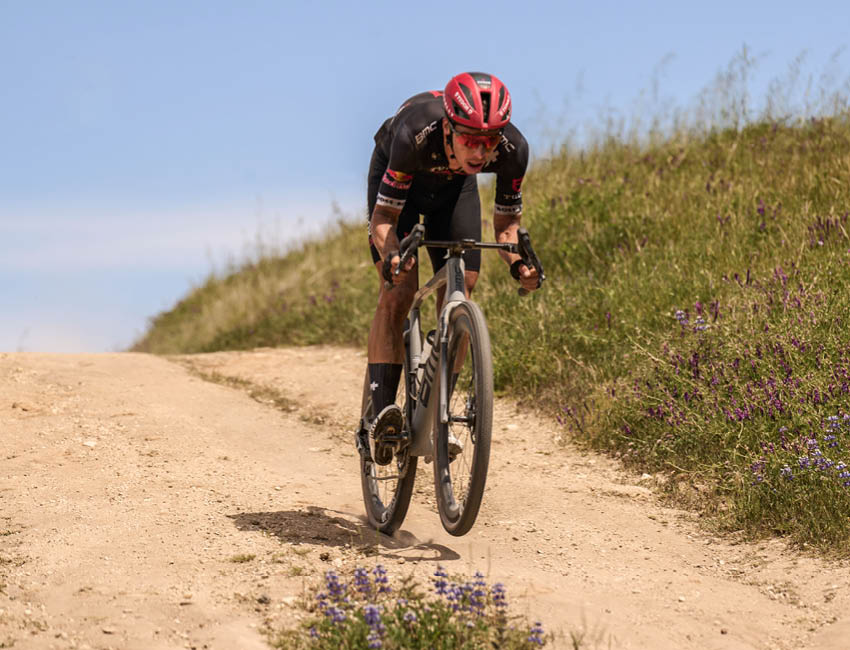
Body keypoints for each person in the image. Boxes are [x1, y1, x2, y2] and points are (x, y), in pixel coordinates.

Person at [365, 71, 540, 449]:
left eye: (488, 142)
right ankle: (381, 414)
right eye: (470, 141)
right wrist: (392, 256)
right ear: (448, 128)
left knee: (464, 285)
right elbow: (384, 218)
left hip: (454, 189)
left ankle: (439, 410)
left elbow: (507, 226)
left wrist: (519, 265)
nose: (479, 152)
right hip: (400, 188)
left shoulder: (513, 150)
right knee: (398, 290)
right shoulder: (414, 134)